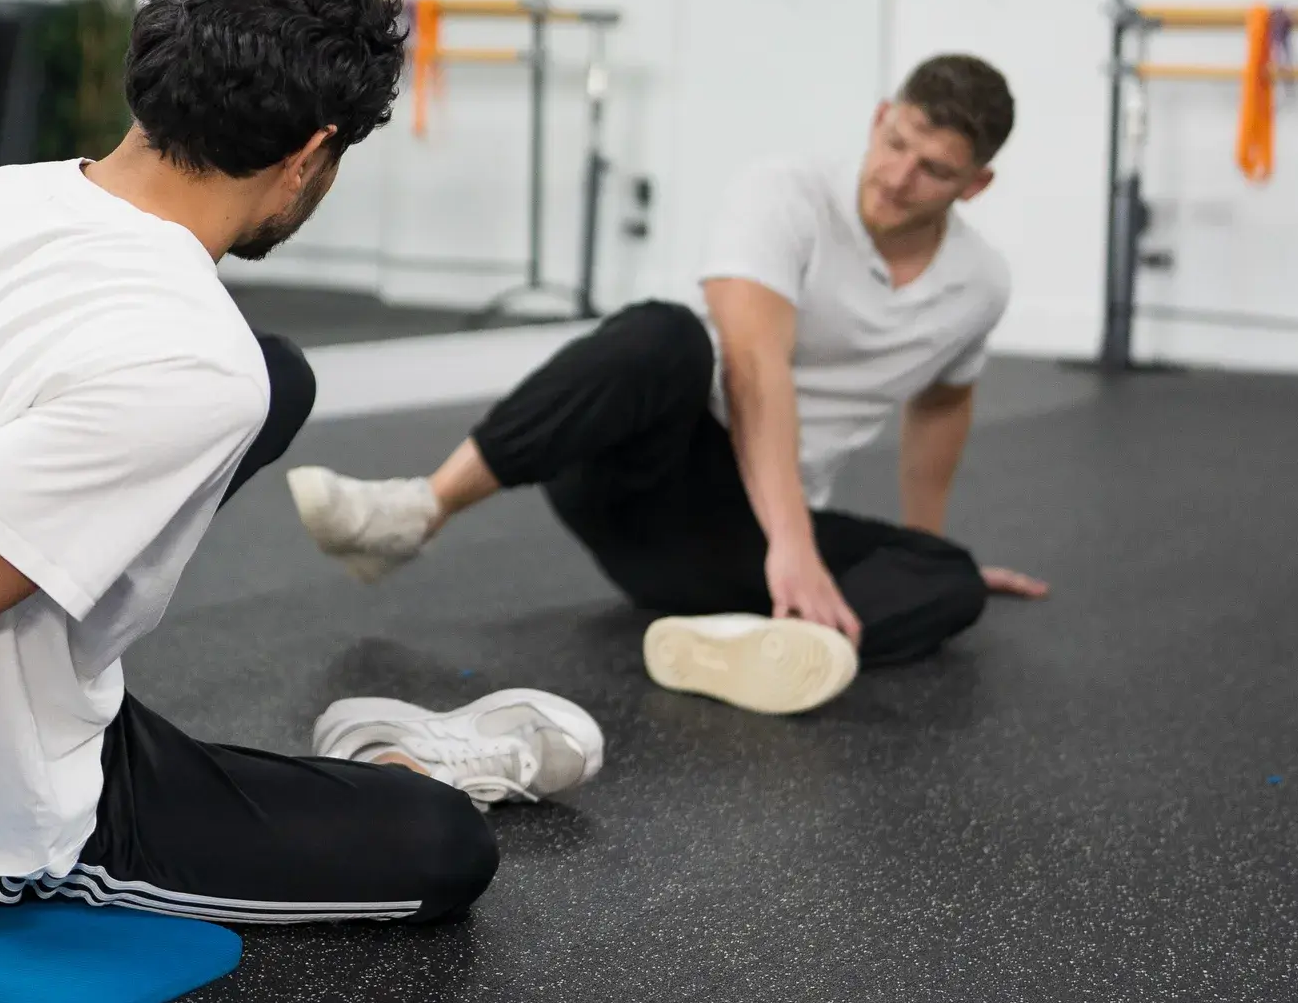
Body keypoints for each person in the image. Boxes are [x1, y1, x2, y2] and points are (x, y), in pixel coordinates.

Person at [0, 0, 601, 1003]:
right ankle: (402, 762)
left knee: (277, 380)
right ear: (314, 150)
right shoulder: (187, 357)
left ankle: (29, 568)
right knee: (442, 851)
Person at [288, 54, 1048, 716]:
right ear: (881, 117)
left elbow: (944, 403)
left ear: (975, 185)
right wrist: (792, 543)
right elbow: (753, 368)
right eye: (895, 143)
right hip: (636, 464)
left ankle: (748, 645)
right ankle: (418, 512)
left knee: (951, 583)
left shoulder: (978, 284)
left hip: (720, 546)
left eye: (934, 169)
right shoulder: (785, 193)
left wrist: (921, 543)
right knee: (666, 336)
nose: (898, 175)